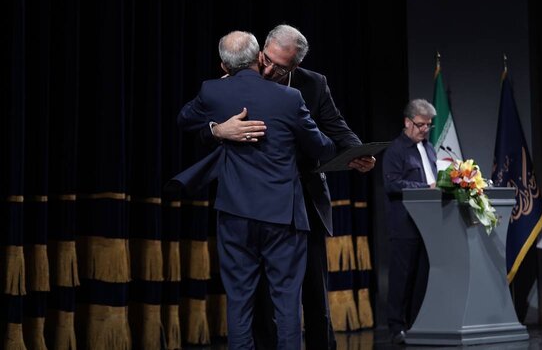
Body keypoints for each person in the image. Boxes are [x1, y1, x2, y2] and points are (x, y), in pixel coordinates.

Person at [206, 24, 375, 349]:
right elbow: (200, 118)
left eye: (280, 67)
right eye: (266, 60)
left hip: (303, 201)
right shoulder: (238, 80)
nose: (269, 70)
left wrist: (359, 152)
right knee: (258, 297)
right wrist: (217, 129)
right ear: (260, 51)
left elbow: (337, 127)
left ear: (295, 66)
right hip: (252, 203)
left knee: (313, 292)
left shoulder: (313, 84)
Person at [177, 30, 336, 349]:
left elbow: (184, 120)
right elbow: (323, 148)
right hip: (283, 219)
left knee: (239, 301)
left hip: (235, 216)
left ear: (224, 66)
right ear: (259, 57)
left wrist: (217, 129)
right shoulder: (290, 98)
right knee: (287, 302)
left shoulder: (213, 91)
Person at [382, 99, 437, 344]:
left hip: (429, 225)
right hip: (405, 225)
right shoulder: (396, 151)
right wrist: (426, 188)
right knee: (401, 278)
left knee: (422, 277)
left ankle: (417, 324)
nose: (425, 129)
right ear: (407, 122)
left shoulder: (430, 149)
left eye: (428, 125)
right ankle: (397, 327)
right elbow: (392, 184)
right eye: (420, 124)